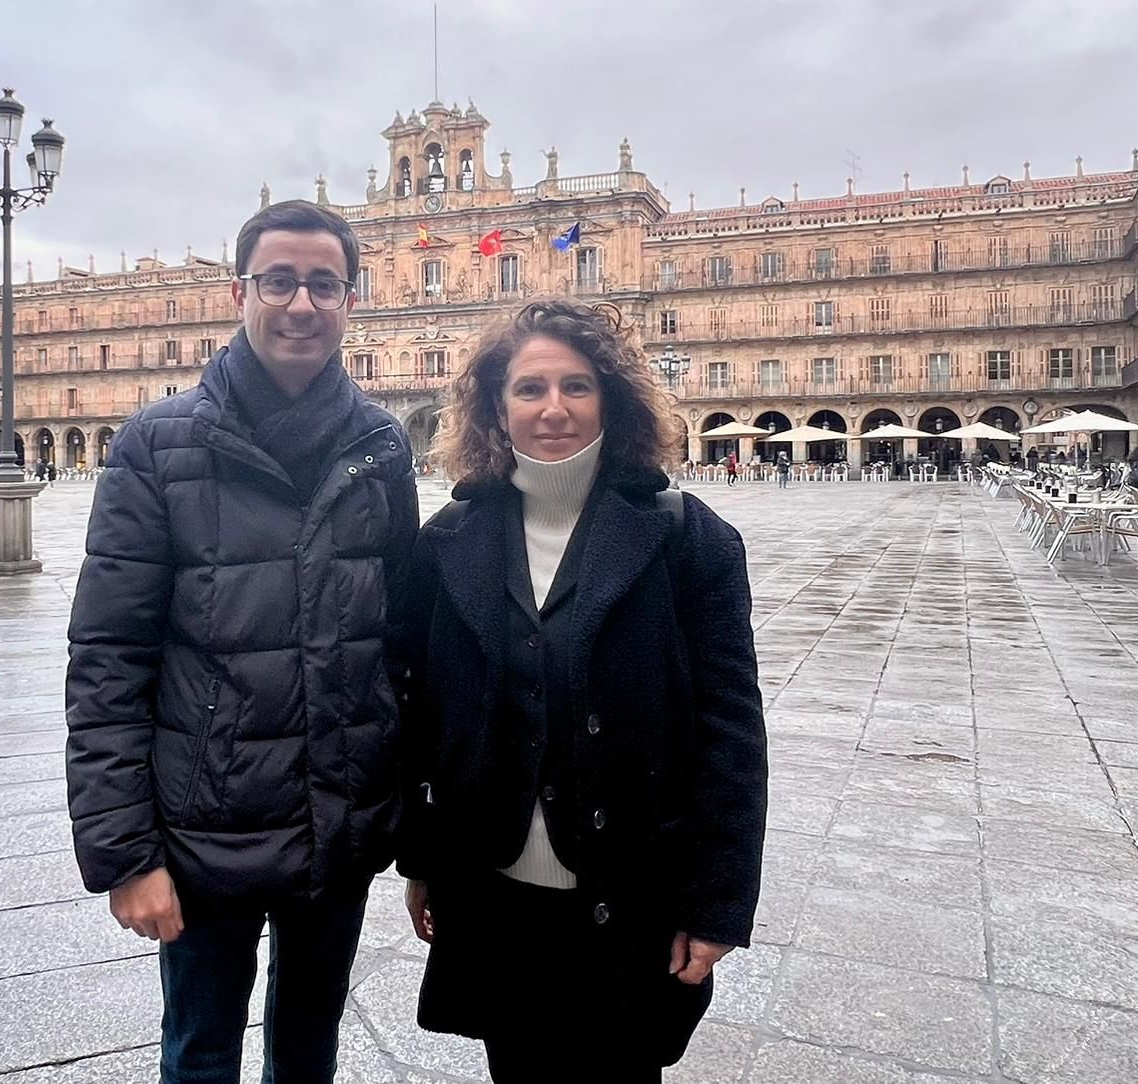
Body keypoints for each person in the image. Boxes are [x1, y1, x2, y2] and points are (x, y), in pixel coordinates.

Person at [65, 199, 418, 1084]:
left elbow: (404, 643)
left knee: (309, 1050)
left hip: (338, 823)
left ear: (350, 299)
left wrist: (420, 836)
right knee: (200, 1050)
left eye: (324, 285)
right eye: (280, 281)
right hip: (201, 829)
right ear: (240, 291)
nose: (301, 304)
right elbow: (109, 656)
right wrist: (125, 854)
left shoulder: (381, 443)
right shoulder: (156, 443)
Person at [394, 300, 767, 1082]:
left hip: (633, 896)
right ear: (496, 408)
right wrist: (422, 859)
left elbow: (731, 731)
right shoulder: (446, 544)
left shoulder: (687, 541)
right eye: (529, 389)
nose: (553, 408)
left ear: (612, 398)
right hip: (496, 898)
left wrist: (716, 902)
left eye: (577, 386)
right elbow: (423, 717)